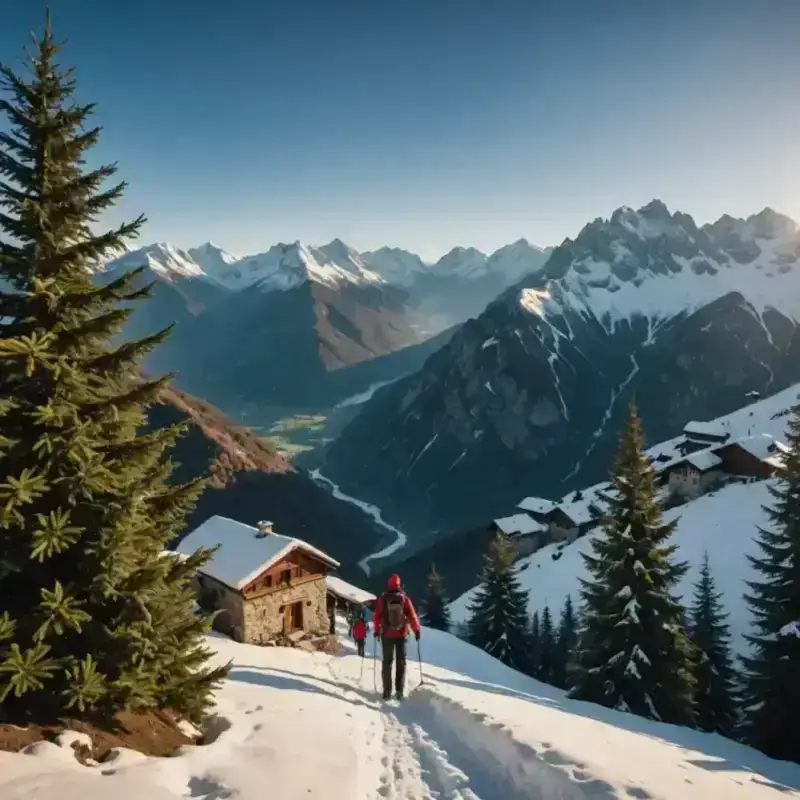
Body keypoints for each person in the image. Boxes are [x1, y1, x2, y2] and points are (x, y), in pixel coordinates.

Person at [372, 573, 421, 700]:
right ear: (399, 585)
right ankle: (399, 691)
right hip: (401, 634)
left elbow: (377, 616)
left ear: (388, 585)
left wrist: (377, 630)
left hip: (387, 634)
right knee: (401, 662)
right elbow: (412, 616)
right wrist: (417, 630)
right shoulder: (405, 599)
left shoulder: (382, 599)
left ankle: (387, 692)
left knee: (387, 663)